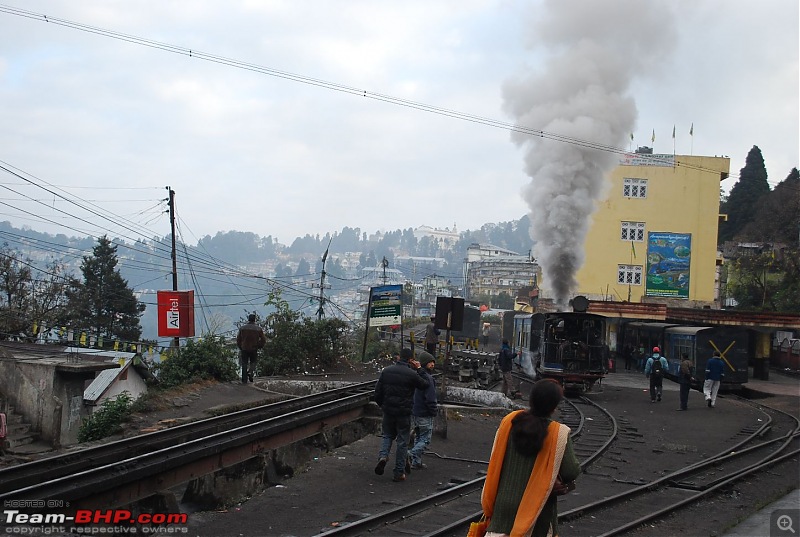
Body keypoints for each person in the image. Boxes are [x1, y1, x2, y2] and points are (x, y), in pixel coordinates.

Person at [480, 379, 580, 537]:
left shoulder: (510, 422)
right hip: (535, 511)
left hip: (503, 505)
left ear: (532, 399)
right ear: (553, 407)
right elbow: (571, 471)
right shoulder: (557, 433)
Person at [374, 347, 430, 482]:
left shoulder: (386, 371)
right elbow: (425, 385)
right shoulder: (412, 374)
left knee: (387, 435)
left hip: (388, 411)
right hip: (404, 413)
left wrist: (383, 405)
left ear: (399, 356)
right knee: (402, 441)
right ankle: (399, 472)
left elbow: (377, 393)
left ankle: (383, 456)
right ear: (411, 360)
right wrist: (419, 369)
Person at [408, 351, 437, 470]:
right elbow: (430, 397)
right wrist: (433, 410)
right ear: (425, 364)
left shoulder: (416, 376)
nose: (433, 365)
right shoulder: (429, 379)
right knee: (425, 440)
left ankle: (416, 462)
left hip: (415, 411)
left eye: (433, 362)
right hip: (425, 412)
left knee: (418, 437)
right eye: (430, 362)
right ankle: (410, 454)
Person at [236, 313, 265, 384]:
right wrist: (259, 346)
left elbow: (238, 339)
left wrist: (241, 347)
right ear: (254, 320)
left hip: (244, 348)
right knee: (253, 362)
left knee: (244, 363)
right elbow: (263, 340)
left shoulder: (242, 328)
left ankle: (244, 380)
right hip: (254, 348)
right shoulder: (258, 329)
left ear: (248, 319)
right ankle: (250, 372)